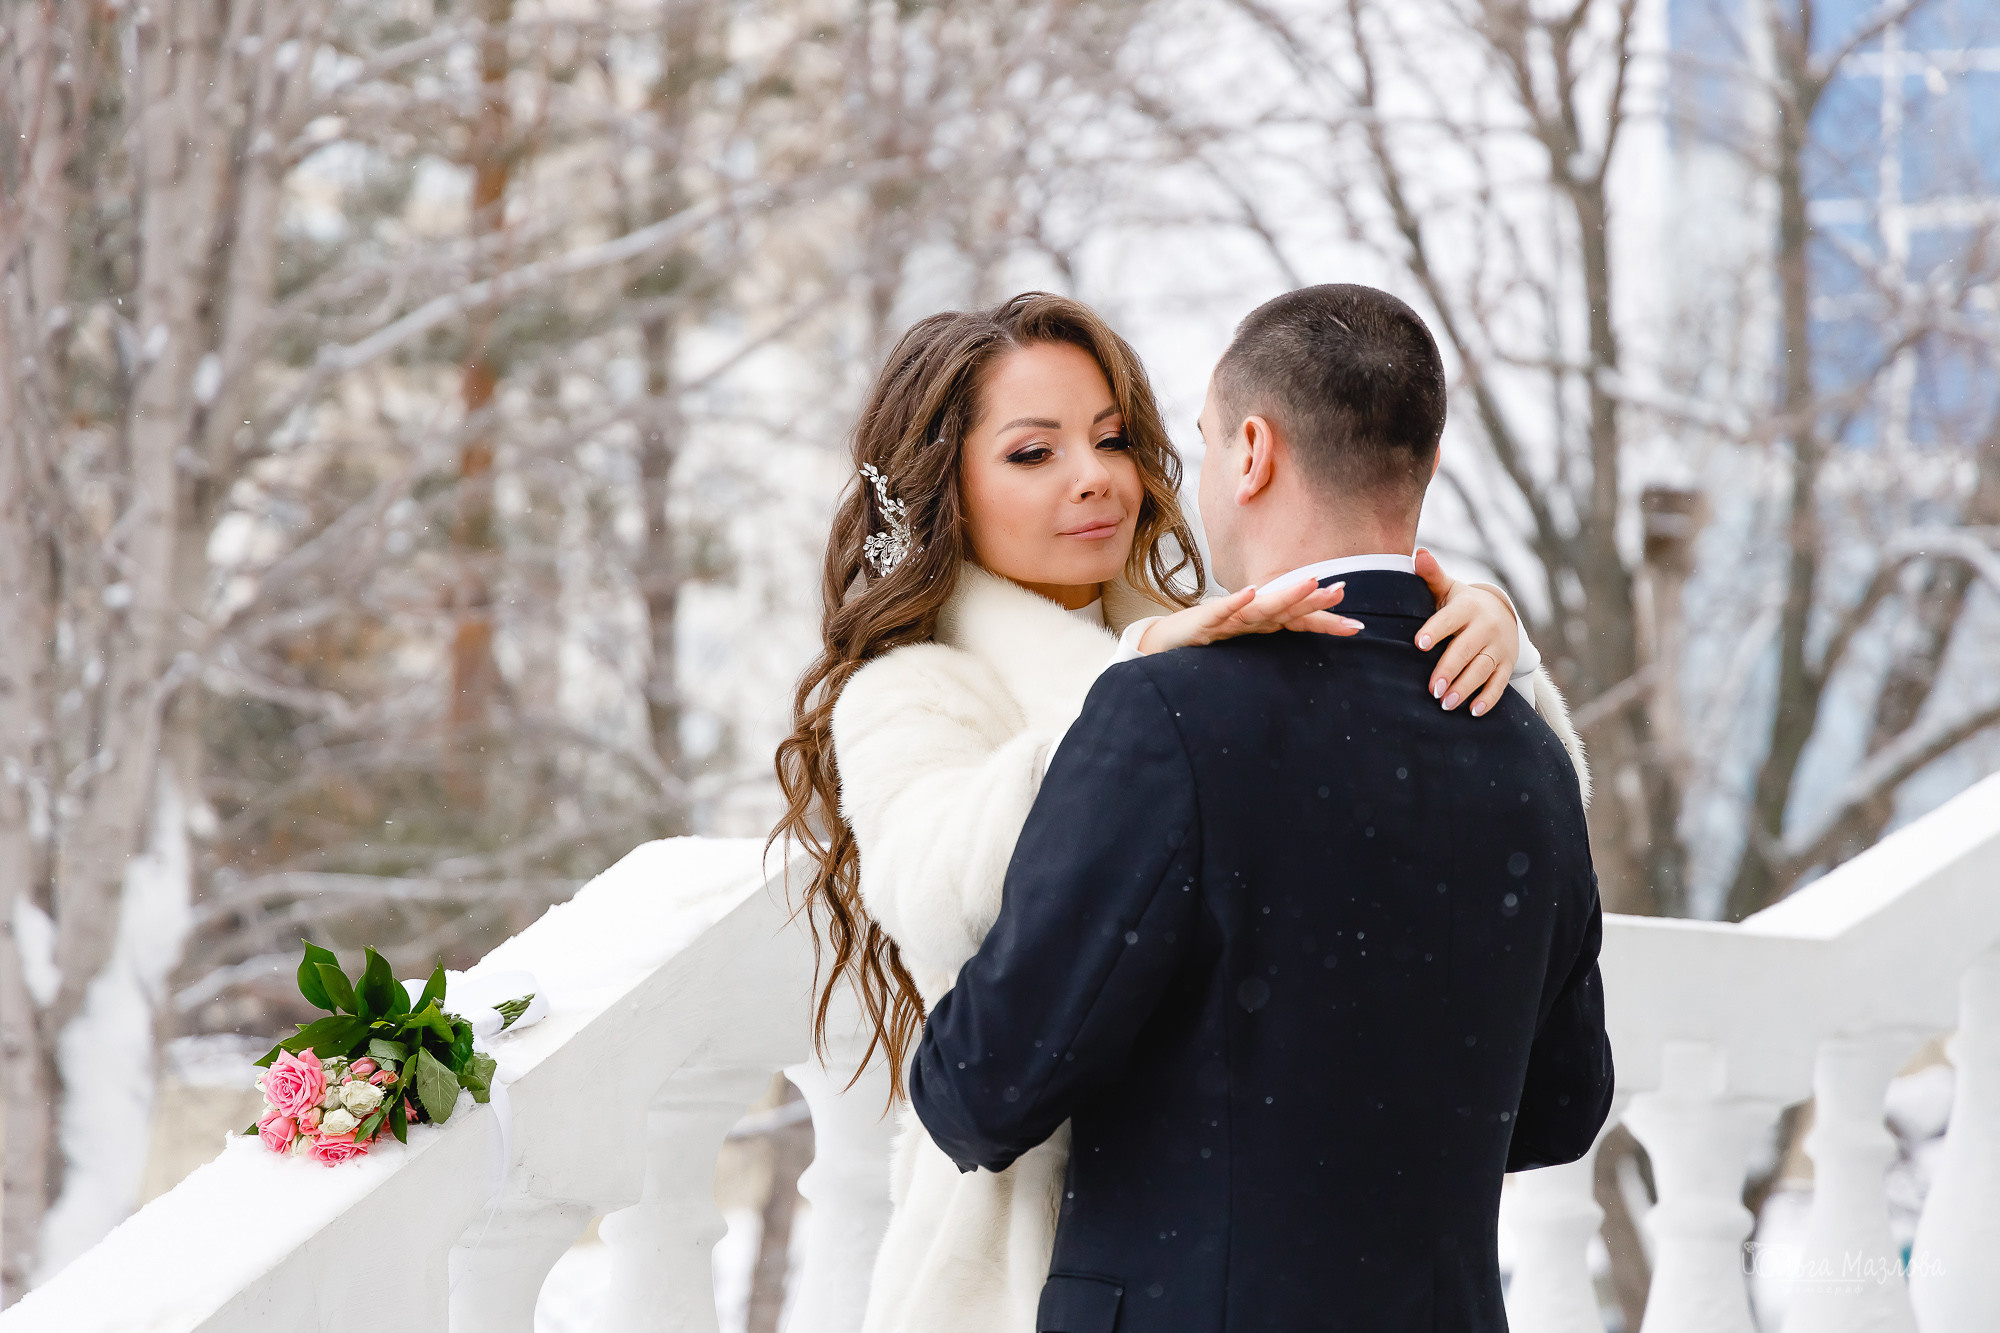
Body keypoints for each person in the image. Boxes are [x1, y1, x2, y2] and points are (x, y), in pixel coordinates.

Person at [772, 291, 1586, 1333]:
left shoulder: (1210, 663)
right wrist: (1127, 694)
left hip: (1191, 1260)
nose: (1094, 475)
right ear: (947, 489)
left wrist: (1491, 657)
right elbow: (931, 891)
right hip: (1010, 1270)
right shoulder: (920, 686)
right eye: (1033, 453)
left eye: (1111, 438)